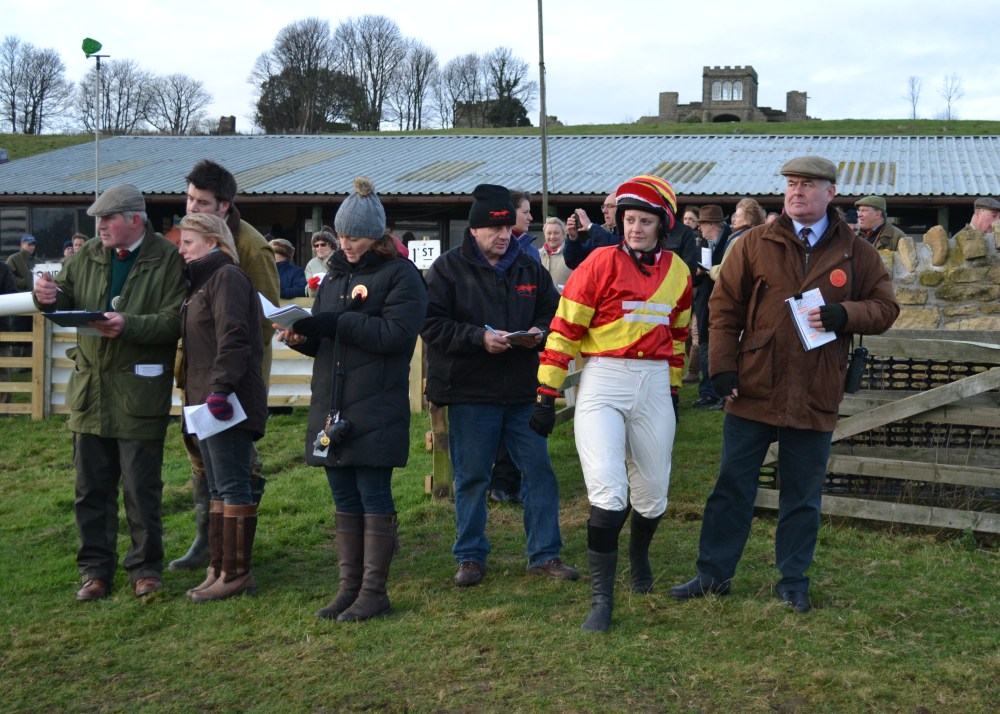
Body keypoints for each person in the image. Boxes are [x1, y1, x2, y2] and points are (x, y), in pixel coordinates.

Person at [669, 156, 900, 613]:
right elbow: (723, 308)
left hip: (816, 388)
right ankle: (713, 575)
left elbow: (886, 308)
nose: (797, 192)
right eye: (792, 184)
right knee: (732, 486)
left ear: (831, 193)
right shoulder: (755, 243)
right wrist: (723, 367)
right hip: (753, 386)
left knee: (802, 494)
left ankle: (793, 581)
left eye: (808, 185)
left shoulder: (856, 252)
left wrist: (845, 314)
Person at [533, 174, 692, 632]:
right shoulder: (600, 262)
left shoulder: (679, 272)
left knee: (653, 495)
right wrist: (547, 393)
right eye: (629, 220)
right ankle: (602, 600)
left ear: (662, 225)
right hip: (603, 382)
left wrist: (675, 391)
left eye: (644, 221)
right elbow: (563, 330)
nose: (635, 228)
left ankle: (639, 560)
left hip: (655, 384)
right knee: (608, 493)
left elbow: (679, 339)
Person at [278, 177, 428, 622]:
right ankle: (348, 589)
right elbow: (329, 339)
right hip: (333, 402)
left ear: (378, 235)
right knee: (342, 494)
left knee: (372, 493)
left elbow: (397, 336)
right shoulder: (333, 276)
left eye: (356, 237)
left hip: (375, 403)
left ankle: (374, 591)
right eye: (341, 236)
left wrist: (335, 324)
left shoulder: (402, 276)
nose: (346, 245)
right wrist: (301, 337)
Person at [32, 184, 186, 601]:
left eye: (108, 219)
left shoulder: (166, 258)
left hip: (138, 393)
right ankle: (95, 572)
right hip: (90, 393)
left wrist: (128, 325)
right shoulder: (87, 255)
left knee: (141, 488)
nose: (99, 226)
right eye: (97, 219)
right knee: (90, 490)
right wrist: (46, 296)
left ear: (135, 219)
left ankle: (145, 569)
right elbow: (63, 294)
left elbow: (176, 320)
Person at [421, 183, 578, 588]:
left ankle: (544, 555)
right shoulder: (447, 270)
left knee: (539, 473)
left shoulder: (529, 268)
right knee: (472, 477)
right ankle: (470, 557)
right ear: (473, 230)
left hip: (523, 392)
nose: (504, 235)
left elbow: (552, 311)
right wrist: (478, 338)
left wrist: (539, 331)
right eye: (495, 229)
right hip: (471, 394)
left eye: (508, 227)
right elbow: (431, 325)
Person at [170, 158, 280, 572]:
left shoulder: (249, 248)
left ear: (224, 206)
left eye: (201, 201)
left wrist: (228, 376)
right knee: (199, 454)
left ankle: (233, 553)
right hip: (198, 371)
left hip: (232, 379)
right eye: (189, 198)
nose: (192, 207)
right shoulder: (191, 242)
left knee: (235, 462)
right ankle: (211, 542)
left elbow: (261, 321)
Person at [177, 212, 268, 602]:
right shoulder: (200, 282)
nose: (181, 250)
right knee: (217, 486)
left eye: (188, 243)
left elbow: (234, 337)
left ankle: (236, 572)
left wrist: (219, 389)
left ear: (213, 242)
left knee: (232, 485)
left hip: (226, 401)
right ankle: (219, 566)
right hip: (205, 400)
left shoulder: (227, 277)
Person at [691, 205, 731, 409]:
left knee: (717, 346)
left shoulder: (729, 241)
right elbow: (696, 278)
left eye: (702, 224)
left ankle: (717, 392)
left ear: (712, 224)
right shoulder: (704, 244)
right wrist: (697, 275)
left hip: (722, 303)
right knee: (706, 345)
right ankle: (709, 391)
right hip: (705, 302)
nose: (700, 228)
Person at [563, 192, 617, 269]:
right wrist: (573, 239)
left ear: (621, 210)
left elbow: (614, 247)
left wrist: (589, 226)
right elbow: (574, 262)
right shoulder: (600, 233)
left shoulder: (629, 234)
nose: (604, 211)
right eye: (603, 206)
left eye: (610, 206)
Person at [539, 216, 573, 289]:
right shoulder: (536, 255)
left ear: (564, 235)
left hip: (564, 299)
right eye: (549, 233)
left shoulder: (572, 255)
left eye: (556, 233)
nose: (552, 236)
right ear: (544, 235)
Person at [510, 189, 542, 263]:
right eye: (525, 212)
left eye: (529, 212)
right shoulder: (496, 249)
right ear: (511, 212)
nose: (530, 218)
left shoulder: (533, 252)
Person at [305, 227, 337, 297]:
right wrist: (312, 288)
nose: (319, 248)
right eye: (316, 245)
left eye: (323, 244)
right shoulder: (311, 264)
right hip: (320, 303)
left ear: (331, 245)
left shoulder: (341, 258)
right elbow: (311, 294)